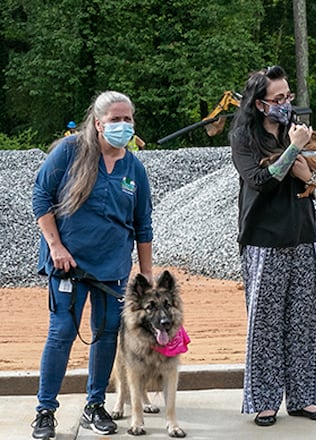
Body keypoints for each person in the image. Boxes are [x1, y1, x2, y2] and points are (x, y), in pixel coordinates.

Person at [30, 91, 153, 439]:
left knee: (105, 335)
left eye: (128, 119)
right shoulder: (69, 152)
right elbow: (41, 197)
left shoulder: (134, 169)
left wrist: (145, 276)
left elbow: (143, 224)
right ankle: (45, 410)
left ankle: (95, 404)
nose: (123, 125)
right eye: (116, 119)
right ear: (99, 124)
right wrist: (55, 246)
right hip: (68, 264)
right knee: (62, 333)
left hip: (112, 270)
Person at [229, 65, 316, 427]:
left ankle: (303, 398)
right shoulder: (245, 138)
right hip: (265, 241)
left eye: (288, 96)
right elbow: (261, 180)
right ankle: (265, 400)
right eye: (278, 99)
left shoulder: (299, 132)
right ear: (260, 104)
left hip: (302, 236)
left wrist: (314, 176)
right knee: (266, 324)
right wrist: (293, 151)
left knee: (304, 321)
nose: (286, 103)